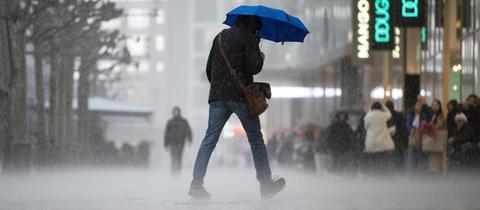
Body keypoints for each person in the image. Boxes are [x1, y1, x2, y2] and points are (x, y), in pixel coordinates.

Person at [188, 15, 284, 199]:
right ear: (252, 25)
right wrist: (260, 57)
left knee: (209, 139)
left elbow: (209, 69)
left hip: (218, 96)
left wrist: (220, 87)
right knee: (256, 139)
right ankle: (266, 184)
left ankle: (196, 183)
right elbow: (254, 67)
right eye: (257, 28)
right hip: (241, 97)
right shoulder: (249, 38)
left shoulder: (219, 37)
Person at [364, 102, 395, 175]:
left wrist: (369, 110)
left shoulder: (368, 116)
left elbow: (366, 127)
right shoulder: (383, 115)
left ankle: (375, 176)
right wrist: (384, 106)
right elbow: (389, 114)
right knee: (382, 161)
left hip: (371, 143)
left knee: (373, 162)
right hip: (382, 143)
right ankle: (382, 177)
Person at [164, 107, 192, 175]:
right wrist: (166, 144)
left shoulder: (184, 121)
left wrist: (189, 140)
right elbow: (166, 133)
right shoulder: (170, 122)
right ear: (173, 113)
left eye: (177, 112)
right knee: (173, 158)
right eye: (174, 112)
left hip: (180, 143)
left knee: (179, 158)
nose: (175, 113)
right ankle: (173, 173)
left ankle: (178, 172)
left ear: (179, 112)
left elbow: (188, 130)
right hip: (172, 143)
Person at [405, 101, 429, 174]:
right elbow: (408, 125)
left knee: (421, 159)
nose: (418, 107)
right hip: (412, 139)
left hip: (421, 140)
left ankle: (420, 176)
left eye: (420, 105)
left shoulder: (424, 116)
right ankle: (411, 176)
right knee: (411, 159)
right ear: (414, 106)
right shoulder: (410, 115)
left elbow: (425, 125)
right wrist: (412, 130)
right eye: (417, 105)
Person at [424, 99, 447, 174]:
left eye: (435, 104)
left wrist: (430, 126)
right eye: (432, 104)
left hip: (438, 139)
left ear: (439, 106)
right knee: (432, 159)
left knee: (438, 159)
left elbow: (439, 126)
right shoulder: (431, 115)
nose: (433, 106)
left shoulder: (440, 116)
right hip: (432, 141)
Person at [385, 101, 408, 172]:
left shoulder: (385, 116)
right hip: (398, 140)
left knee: (389, 160)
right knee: (398, 158)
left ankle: (391, 172)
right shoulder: (399, 115)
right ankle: (397, 173)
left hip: (388, 141)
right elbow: (403, 128)